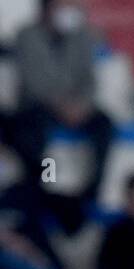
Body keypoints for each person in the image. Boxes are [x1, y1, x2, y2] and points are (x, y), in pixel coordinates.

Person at [11, 0, 115, 234]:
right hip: (39, 105)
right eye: (62, 6)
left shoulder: (81, 37)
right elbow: (32, 82)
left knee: (105, 125)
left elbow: (89, 80)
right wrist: (59, 104)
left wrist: (81, 106)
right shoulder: (26, 36)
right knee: (30, 131)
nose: (68, 12)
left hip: (77, 106)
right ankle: (40, 192)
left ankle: (90, 193)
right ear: (47, 9)